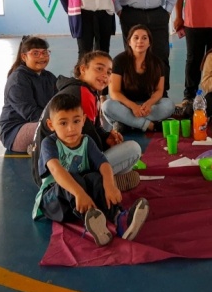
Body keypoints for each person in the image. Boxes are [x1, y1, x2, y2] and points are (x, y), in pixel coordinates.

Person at [32, 93, 150, 246]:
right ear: (51, 125)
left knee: (96, 178)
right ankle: (93, 222)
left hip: (81, 200)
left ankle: (120, 219)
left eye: (76, 121)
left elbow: (104, 164)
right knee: (73, 178)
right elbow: (56, 170)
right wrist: (79, 193)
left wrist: (109, 185)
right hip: (55, 202)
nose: (71, 128)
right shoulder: (50, 143)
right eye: (63, 123)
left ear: (83, 120)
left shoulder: (86, 141)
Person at [33, 51, 142, 191]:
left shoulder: (82, 90)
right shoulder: (82, 93)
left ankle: (104, 183)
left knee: (121, 155)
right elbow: (90, 143)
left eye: (109, 72)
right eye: (99, 68)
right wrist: (105, 145)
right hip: (57, 175)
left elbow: (92, 128)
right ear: (83, 69)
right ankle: (96, 186)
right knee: (133, 150)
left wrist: (106, 137)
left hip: (44, 172)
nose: (105, 75)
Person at [103, 25, 175, 133]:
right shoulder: (119, 61)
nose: (140, 41)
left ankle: (129, 124)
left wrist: (149, 103)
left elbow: (159, 91)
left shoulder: (157, 63)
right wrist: (133, 106)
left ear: (149, 43)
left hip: (148, 108)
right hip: (126, 106)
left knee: (169, 105)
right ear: (129, 42)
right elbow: (114, 92)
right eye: (136, 38)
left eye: (144, 38)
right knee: (107, 106)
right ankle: (149, 125)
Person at [0, 36, 57, 152]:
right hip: (16, 132)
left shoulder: (49, 77)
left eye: (45, 53)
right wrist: (58, 121)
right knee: (61, 127)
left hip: (42, 122)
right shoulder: (18, 80)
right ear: (24, 57)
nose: (41, 57)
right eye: (35, 53)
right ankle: (38, 147)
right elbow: (31, 113)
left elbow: (58, 102)